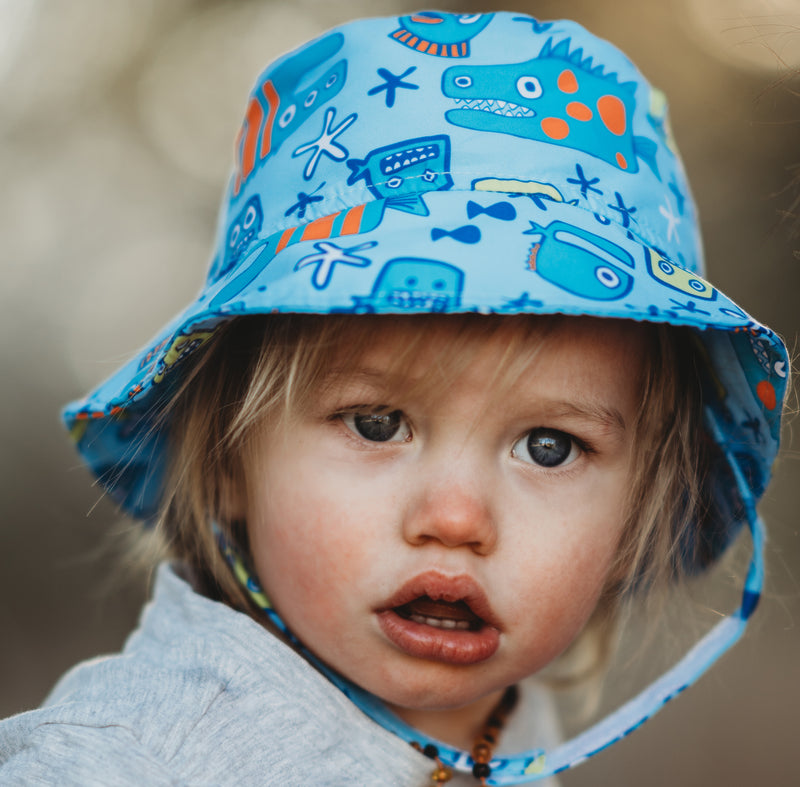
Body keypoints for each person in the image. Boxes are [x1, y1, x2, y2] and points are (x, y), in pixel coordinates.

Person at [0, 11, 788, 786]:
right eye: (378, 424)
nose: (456, 518)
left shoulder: (508, 717)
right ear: (228, 458)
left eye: (549, 445)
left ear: (636, 507)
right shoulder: (136, 757)